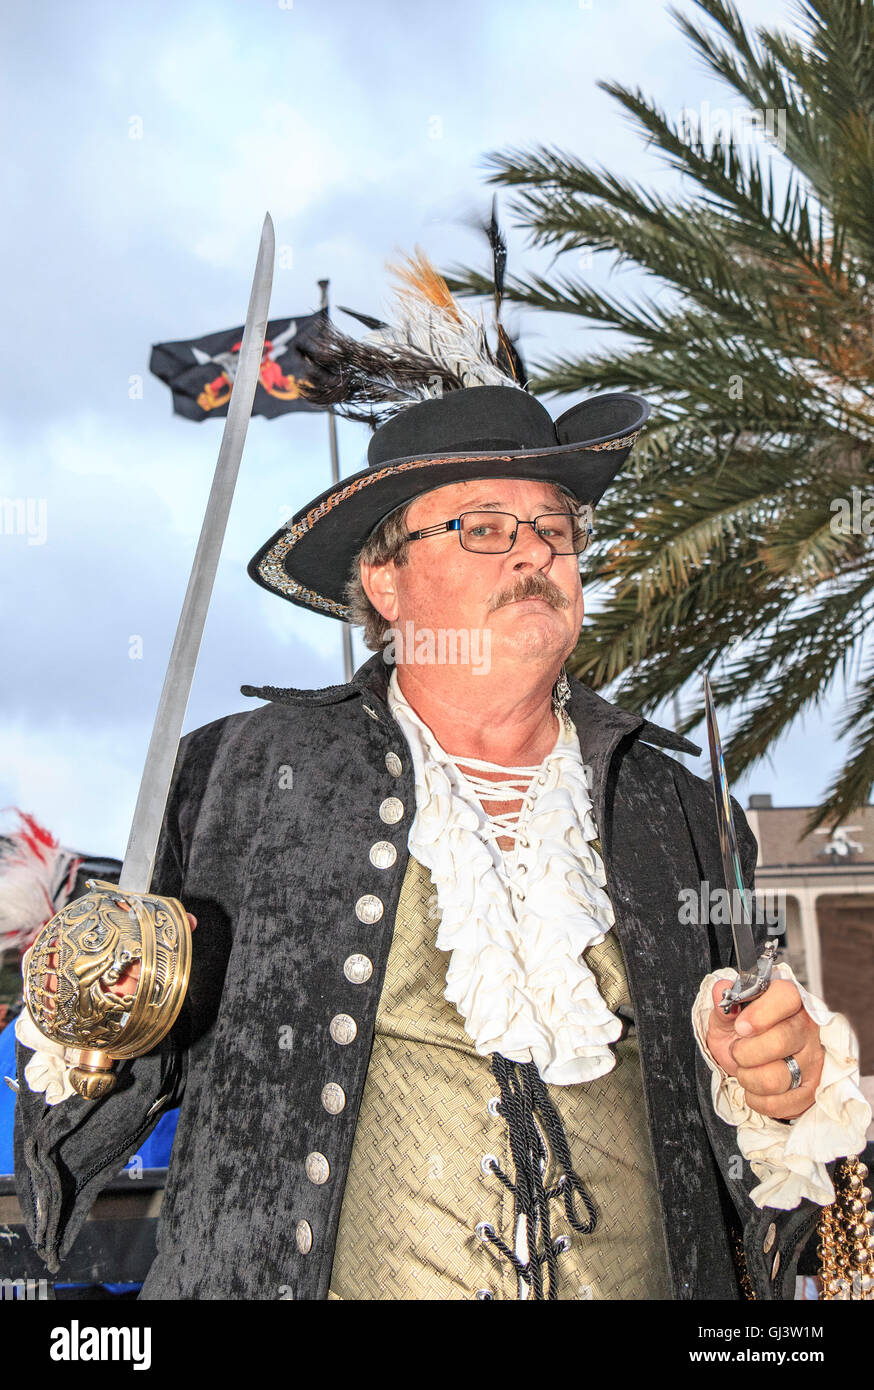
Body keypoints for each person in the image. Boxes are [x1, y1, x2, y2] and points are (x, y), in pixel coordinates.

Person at [13, 256, 871, 1301]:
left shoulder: (683, 811)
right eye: (482, 528)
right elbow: (97, 1096)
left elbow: (767, 1187)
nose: (535, 556)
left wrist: (778, 1089)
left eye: (556, 529)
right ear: (383, 576)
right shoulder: (247, 772)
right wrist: (95, 1004)